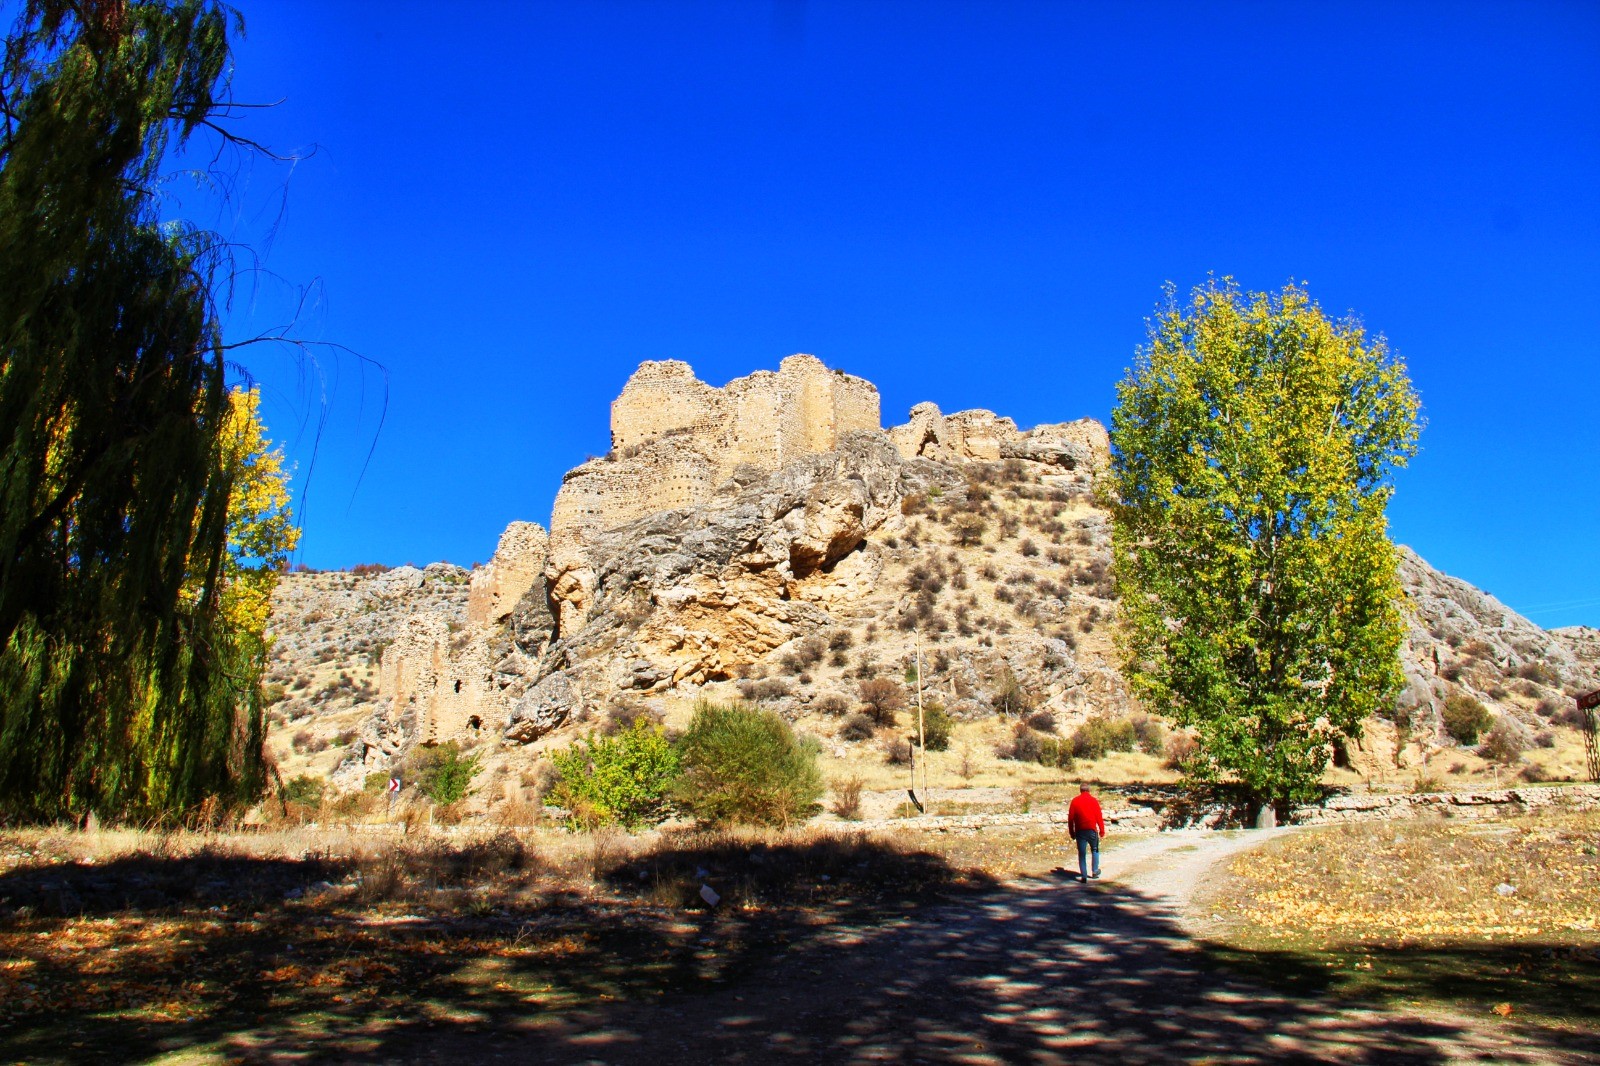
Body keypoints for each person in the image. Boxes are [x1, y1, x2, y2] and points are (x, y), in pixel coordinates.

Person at [1067, 784, 1105, 882]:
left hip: (1080, 831)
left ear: (1080, 790)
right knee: (1095, 849)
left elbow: (1070, 819)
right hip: (1092, 830)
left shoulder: (1075, 801)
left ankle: (1084, 875)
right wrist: (1102, 830)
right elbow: (1099, 816)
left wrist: (1072, 832)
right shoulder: (1093, 801)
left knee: (1082, 853)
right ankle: (1095, 871)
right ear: (1089, 790)